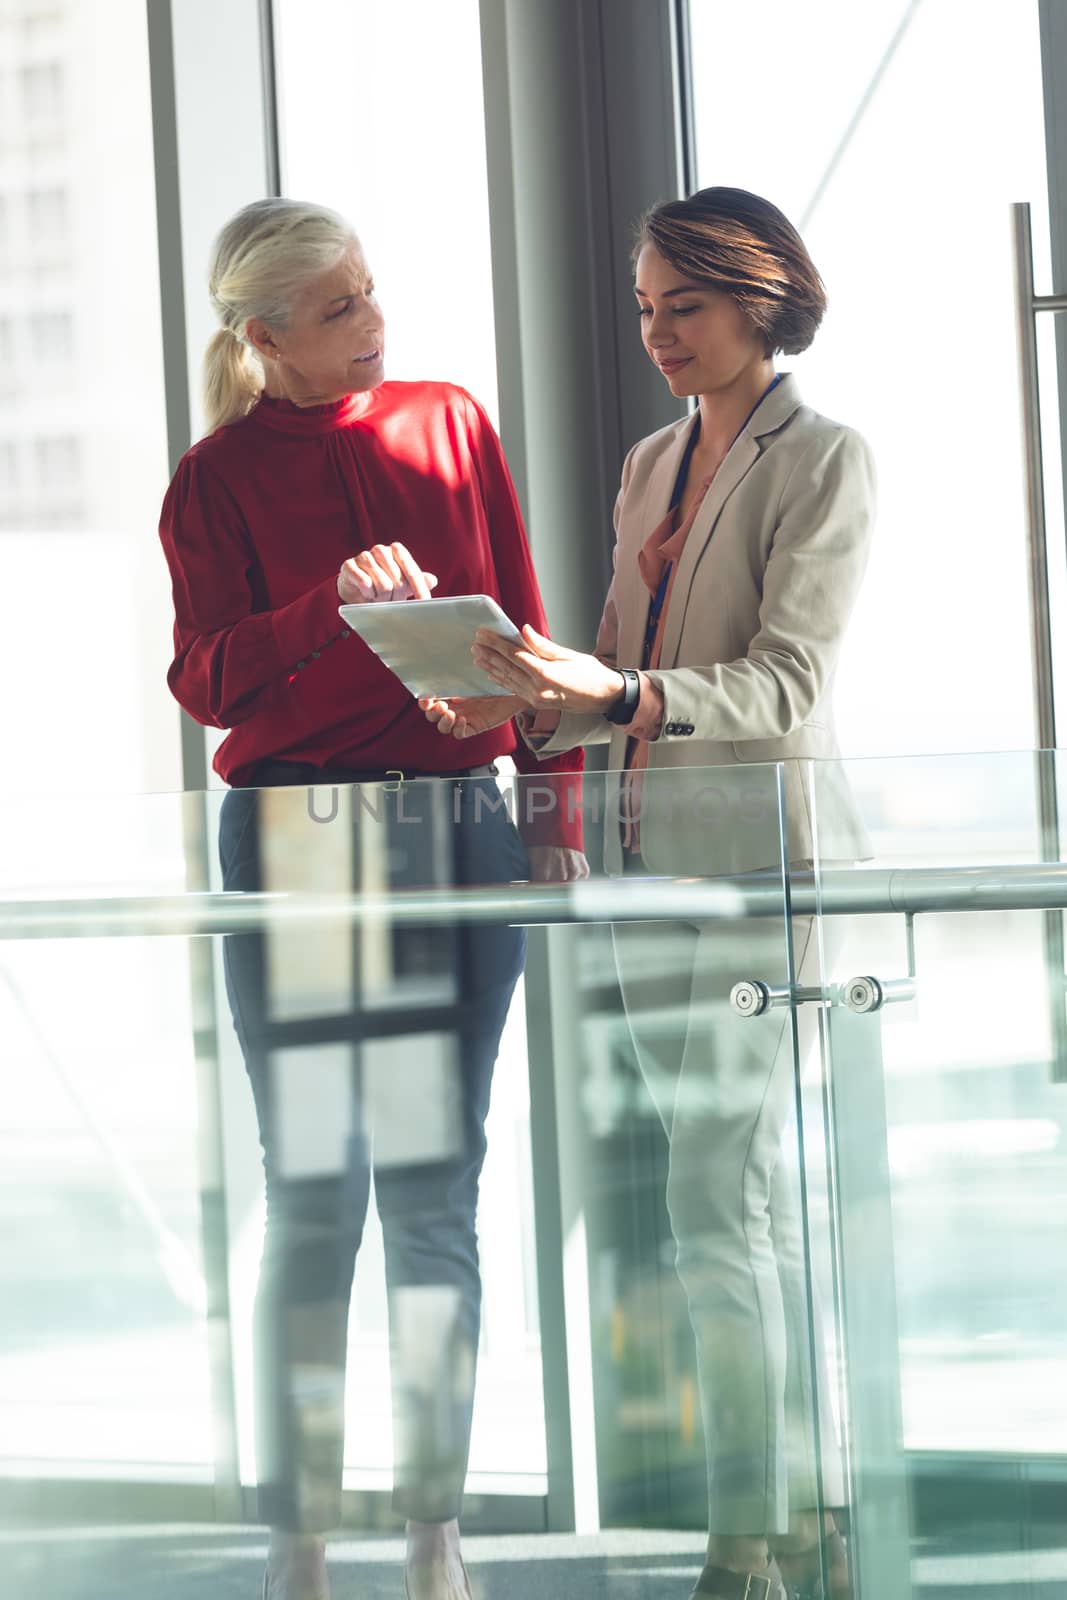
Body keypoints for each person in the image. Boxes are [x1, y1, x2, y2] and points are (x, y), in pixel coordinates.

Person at [423, 186, 875, 1599]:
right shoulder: (646, 467)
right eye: (642, 307)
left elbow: (786, 686)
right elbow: (608, 677)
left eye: (683, 303)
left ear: (761, 300)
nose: (657, 331)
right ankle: (801, 1502)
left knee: (710, 1198)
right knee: (724, 1212)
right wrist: (503, 706)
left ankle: (750, 1533)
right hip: (643, 868)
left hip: (761, 872)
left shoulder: (826, 458)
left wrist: (613, 692)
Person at [157, 197, 585, 1600]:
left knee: (438, 1183)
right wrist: (328, 612)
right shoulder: (213, 483)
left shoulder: (451, 422)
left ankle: (434, 1532)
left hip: (458, 829)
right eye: (337, 310)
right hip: (294, 839)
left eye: (372, 297)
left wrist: (552, 813)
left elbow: (522, 622)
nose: (373, 327)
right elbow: (207, 680)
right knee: (313, 1194)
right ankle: (300, 1543)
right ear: (264, 334)